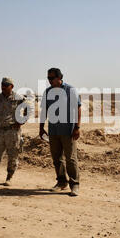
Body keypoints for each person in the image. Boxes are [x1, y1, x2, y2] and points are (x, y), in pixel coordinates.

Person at [40, 68, 81, 196]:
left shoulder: (70, 90)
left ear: (59, 78)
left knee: (71, 159)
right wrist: (41, 127)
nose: (50, 81)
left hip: (68, 130)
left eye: (52, 78)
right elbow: (44, 111)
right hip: (53, 130)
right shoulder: (47, 92)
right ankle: (61, 182)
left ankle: (74, 185)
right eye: (48, 78)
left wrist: (77, 127)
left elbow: (78, 108)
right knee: (57, 159)